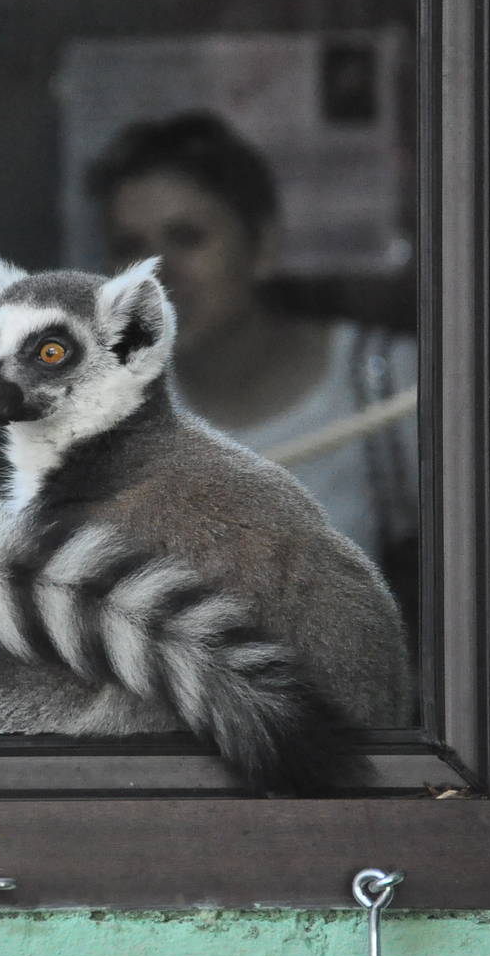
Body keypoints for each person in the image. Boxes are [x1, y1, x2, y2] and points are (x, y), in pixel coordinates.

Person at [85, 111, 417, 608]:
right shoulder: (107, 424)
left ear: (262, 246)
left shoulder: (391, 386)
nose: (156, 274)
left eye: (187, 238)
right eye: (131, 248)